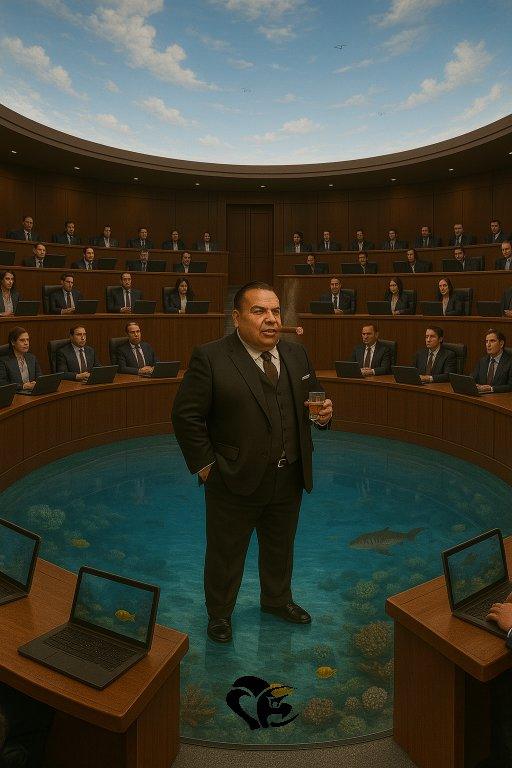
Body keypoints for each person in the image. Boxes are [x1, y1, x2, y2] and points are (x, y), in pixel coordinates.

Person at [171, 281, 333, 643]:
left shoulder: (297, 354)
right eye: (259, 311)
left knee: (280, 547)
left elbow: (314, 400)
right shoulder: (210, 357)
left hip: (289, 476)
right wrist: (207, 467)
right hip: (231, 479)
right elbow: (185, 416)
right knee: (225, 553)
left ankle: (277, 600)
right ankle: (219, 613)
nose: (271, 319)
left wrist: (323, 416)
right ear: (237, 317)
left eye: (275, 311)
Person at [0, 327, 42, 392]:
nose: (26, 343)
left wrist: (37, 383)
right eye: (22, 340)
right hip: (15, 395)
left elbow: (40, 377)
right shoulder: (4, 361)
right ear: (13, 342)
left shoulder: (32, 358)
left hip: (32, 393)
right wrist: (23, 386)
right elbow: (2, 383)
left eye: (27, 340)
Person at [471, 329, 512, 393]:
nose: (488, 345)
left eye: (492, 341)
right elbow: (472, 378)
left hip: (500, 398)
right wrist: (474, 385)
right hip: (482, 397)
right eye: (486, 341)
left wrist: (491, 389)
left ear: (501, 344)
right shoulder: (482, 361)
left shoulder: (509, 362)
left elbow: (510, 386)